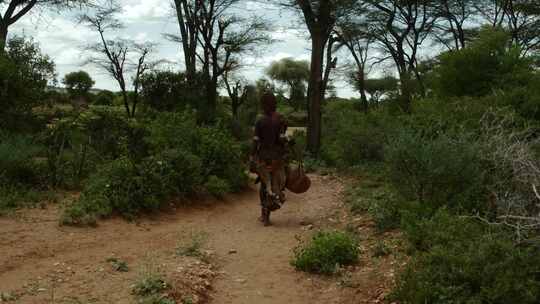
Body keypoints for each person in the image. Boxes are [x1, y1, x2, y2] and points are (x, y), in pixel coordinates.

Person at [250, 92, 289, 226]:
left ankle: (264, 215)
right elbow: (282, 138)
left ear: (263, 104)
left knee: (264, 184)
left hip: (264, 157)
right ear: (275, 103)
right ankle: (271, 209)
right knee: (276, 184)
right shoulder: (281, 119)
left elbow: (256, 140)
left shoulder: (259, 120)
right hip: (277, 158)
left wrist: (251, 155)